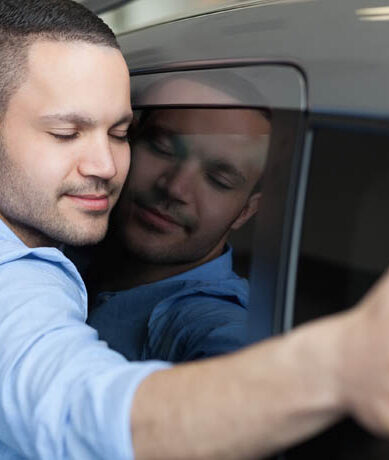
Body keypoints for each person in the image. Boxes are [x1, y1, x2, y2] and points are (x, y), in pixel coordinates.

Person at [0, 1, 389, 459]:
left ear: (248, 210)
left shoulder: (209, 317)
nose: (106, 165)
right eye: (67, 133)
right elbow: (83, 413)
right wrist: (337, 365)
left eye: (119, 133)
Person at [86, 76, 270, 362]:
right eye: (162, 149)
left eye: (218, 180)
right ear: (126, 140)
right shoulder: (74, 236)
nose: (175, 188)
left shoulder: (216, 318)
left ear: (246, 210)